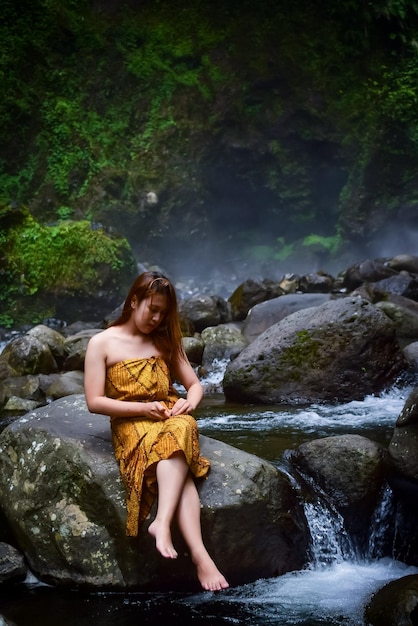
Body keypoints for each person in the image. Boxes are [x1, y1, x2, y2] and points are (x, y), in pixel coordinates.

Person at [84, 271, 229, 592]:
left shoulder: (165, 340)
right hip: (131, 422)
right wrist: (142, 408)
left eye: (163, 312)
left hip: (167, 416)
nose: (157, 317)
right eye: (152, 308)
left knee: (183, 426)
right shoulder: (101, 343)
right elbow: (94, 401)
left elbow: (194, 386)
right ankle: (199, 554)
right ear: (133, 301)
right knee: (180, 457)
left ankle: (165, 526)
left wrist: (188, 404)